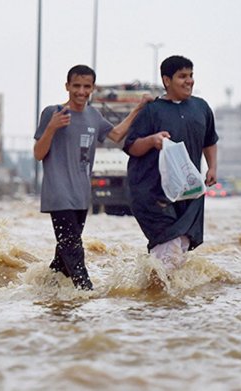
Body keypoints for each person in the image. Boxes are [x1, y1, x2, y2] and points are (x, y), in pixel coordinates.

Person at [34, 64, 149, 290]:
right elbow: (38, 153)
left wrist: (138, 109)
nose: (81, 91)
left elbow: (116, 135)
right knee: (74, 248)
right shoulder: (52, 112)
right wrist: (51, 128)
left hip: (81, 196)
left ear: (92, 89)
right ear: (67, 86)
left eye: (86, 86)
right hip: (58, 194)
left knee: (63, 256)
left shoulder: (93, 115)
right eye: (76, 86)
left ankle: (44, 291)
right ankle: (87, 293)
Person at [123, 55, 218, 274]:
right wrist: (152, 140)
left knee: (181, 246)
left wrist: (212, 167)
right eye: (182, 76)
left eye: (191, 75)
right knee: (169, 246)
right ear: (167, 80)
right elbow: (132, 146)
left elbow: (210, 141)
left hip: (188, 192)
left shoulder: (201, 108)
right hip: (153, 194)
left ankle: (161, 300)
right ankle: (160, 301)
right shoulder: (152, 111)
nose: (189, 81)